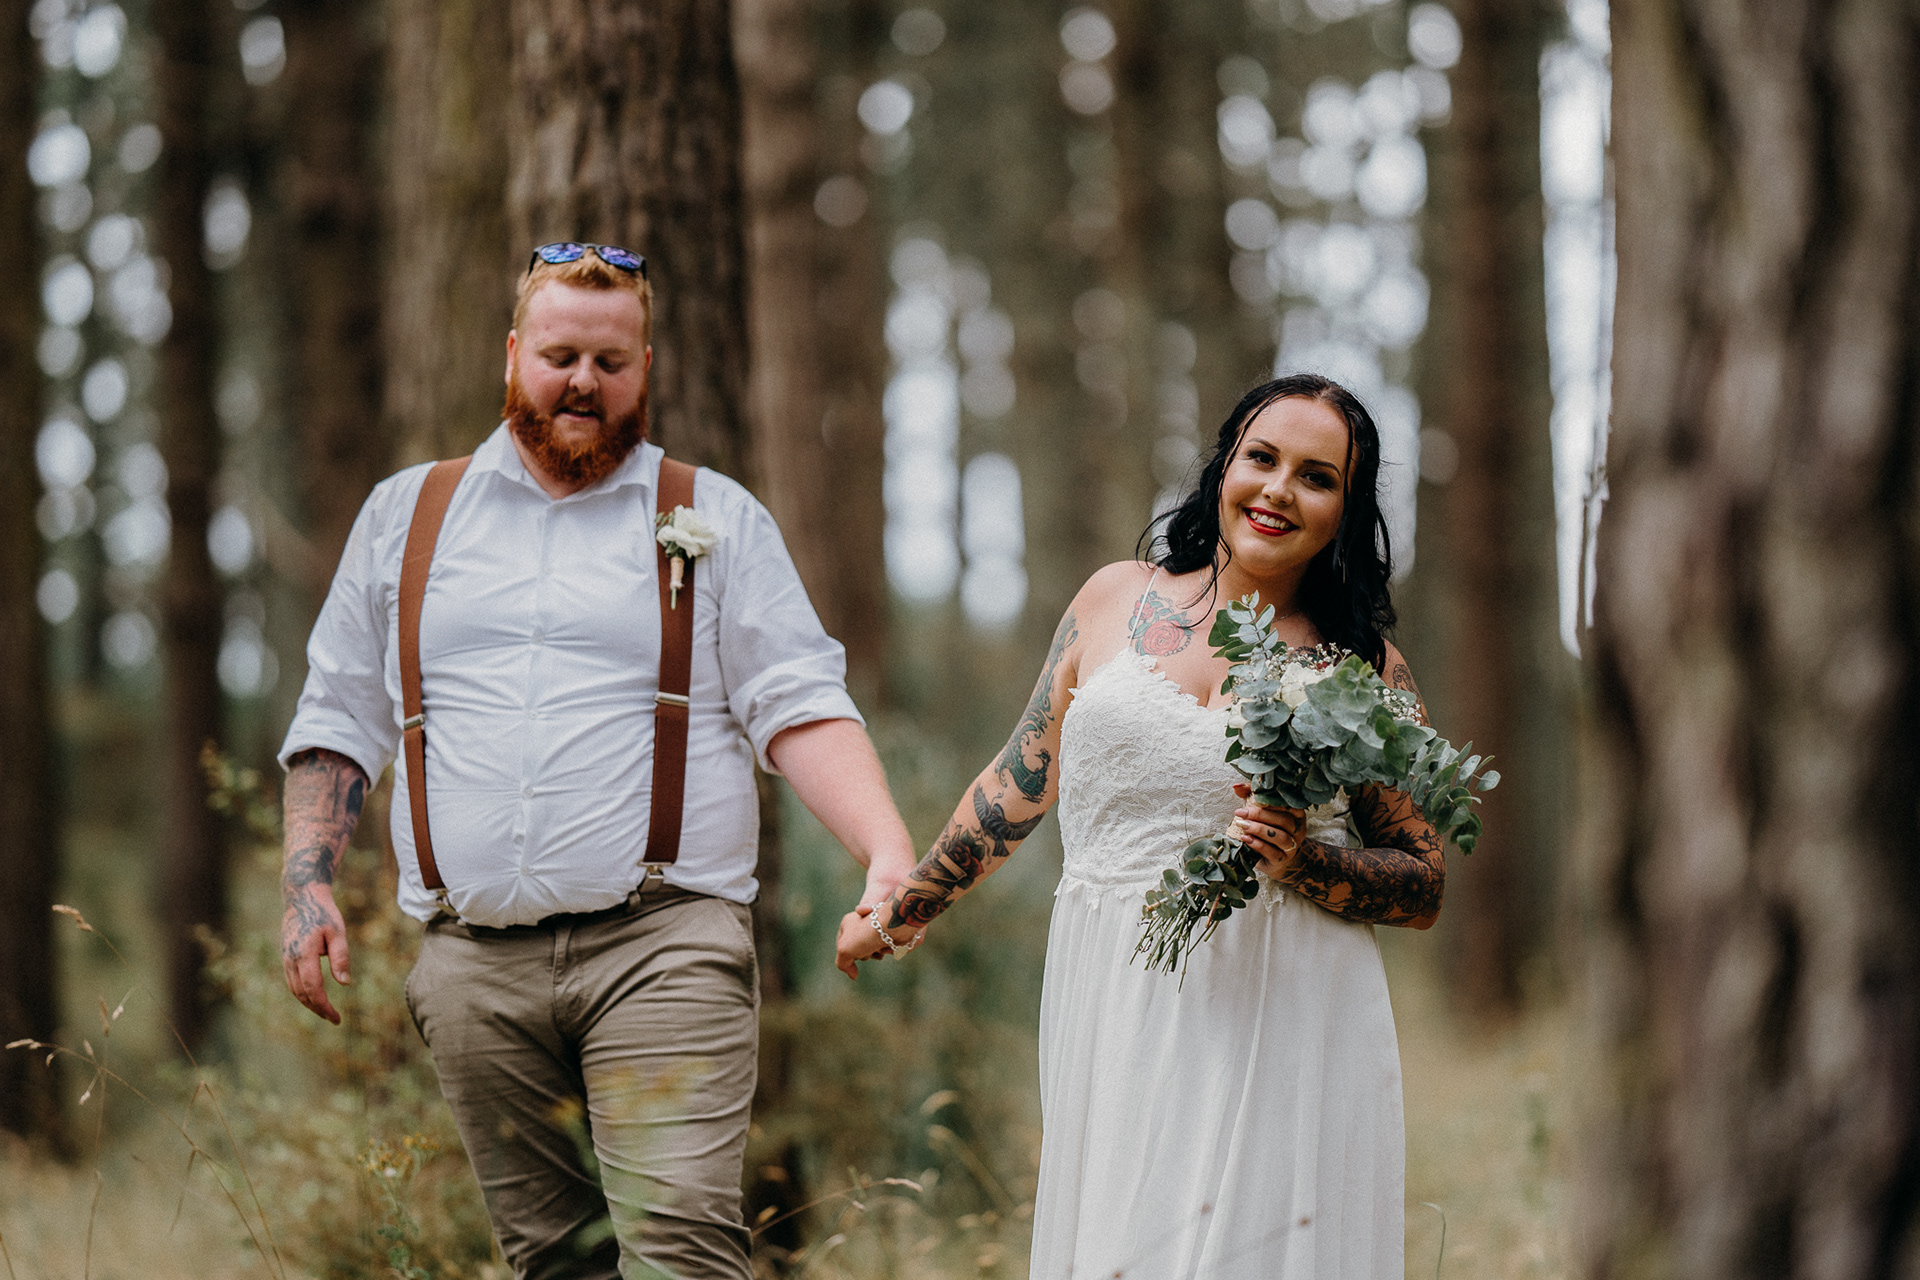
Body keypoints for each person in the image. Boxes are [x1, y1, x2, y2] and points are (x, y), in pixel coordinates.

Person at [278, 242, 916, 1280]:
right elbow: (338, 717)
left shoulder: (714, 517)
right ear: (512, 355)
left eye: (610, 362)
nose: (584, 381)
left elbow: (799, 703)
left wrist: (884, 849)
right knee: (554, 1263)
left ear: (645, 369)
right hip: (471, 962)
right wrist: (307, 884)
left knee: (679, 1252)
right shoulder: (405, 516)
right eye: (560, 356)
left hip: (664, 942)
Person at [837, 373, 1444, 1279]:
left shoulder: (1361, 668)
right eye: (1262, 458)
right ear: (1224, 466)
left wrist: (1305, 863)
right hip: (1116, 994)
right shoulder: (1112, 599)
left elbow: (1424, 883)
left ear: (1346, 513)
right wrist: (902, 910)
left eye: (1317, 478)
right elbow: (1018, 781)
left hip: (1288, 1012)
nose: (1279, 490)